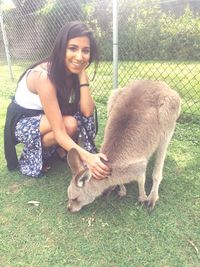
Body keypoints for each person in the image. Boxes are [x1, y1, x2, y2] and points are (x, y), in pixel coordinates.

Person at [4, 21, 111, 179]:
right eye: (73, 48)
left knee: (71, 123)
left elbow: (87, 112)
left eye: (85, 51)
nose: (80, 57)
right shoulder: (44, 77)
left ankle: (59, 149)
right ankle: (31, 155)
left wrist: (82, 76)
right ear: (61, 48)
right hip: (23, 122)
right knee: (68, 125)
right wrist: (87, 157)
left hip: (46, 117)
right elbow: (60, 131)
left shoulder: (74, 71)